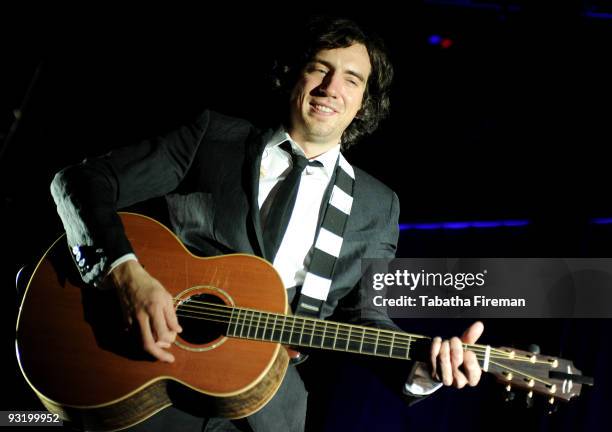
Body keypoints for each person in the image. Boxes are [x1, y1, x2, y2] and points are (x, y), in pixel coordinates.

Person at [51, 16, 483, 432]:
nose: (331, 88)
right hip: (146, 376)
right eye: (320, 69)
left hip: (263, 411)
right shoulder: (214, 138)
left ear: (364, 102)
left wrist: (422, 367)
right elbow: (79, 182)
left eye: (352, 79)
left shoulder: (377, 206)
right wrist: (125, 274)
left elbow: (366, 316)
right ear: (292, 74)